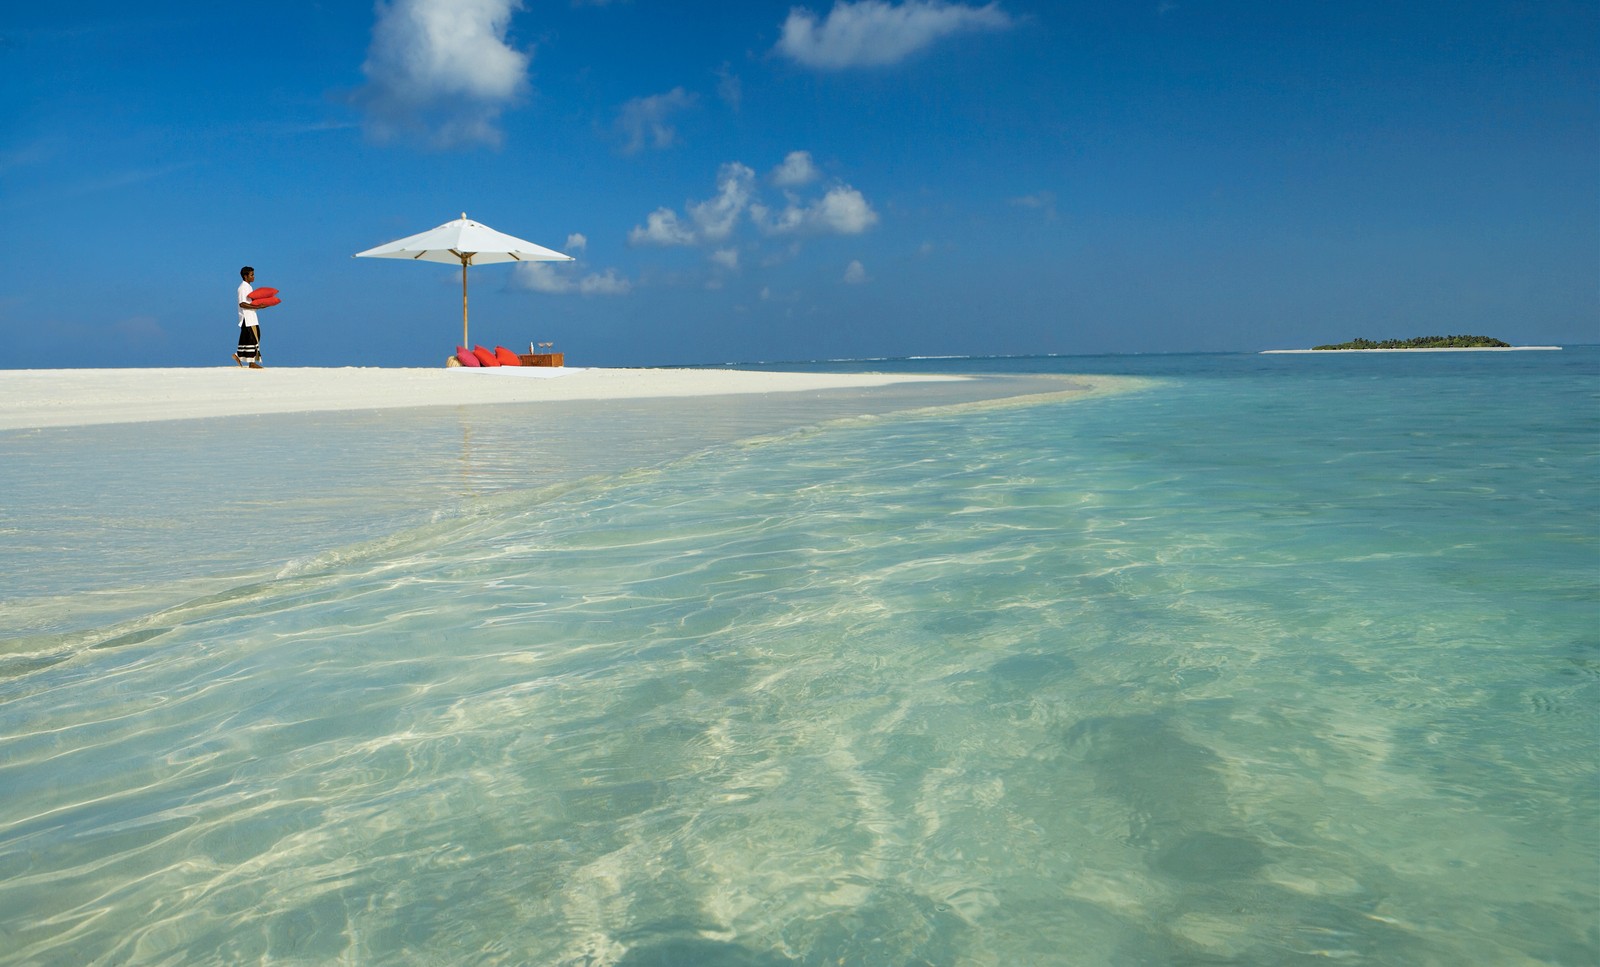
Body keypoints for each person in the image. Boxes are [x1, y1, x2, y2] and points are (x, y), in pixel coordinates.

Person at [234, 266, 266, 368]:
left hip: (251, 316)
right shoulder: (243, 288)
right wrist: (258, 306)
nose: (254, 277)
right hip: (247, 318)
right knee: (254, 338)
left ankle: (238, 356)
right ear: (245, 276)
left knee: (247, 339)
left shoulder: (248, 287)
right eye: (251, 275)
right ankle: (251, 362)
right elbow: (242, 303)